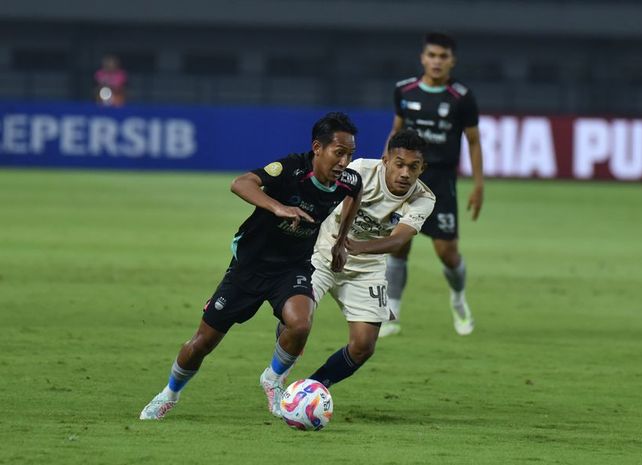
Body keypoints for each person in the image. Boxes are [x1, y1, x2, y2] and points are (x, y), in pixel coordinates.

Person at [139, 112, 363, 420]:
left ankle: (273, 379)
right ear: (317, 148)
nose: (344, 162)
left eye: (350, 154)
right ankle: (169, 394)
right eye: (339, 153)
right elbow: (240, 183)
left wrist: (339, 242)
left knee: (300, 324)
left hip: (292, 268)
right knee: (202, 343)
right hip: (249, 267)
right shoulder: (290, 169)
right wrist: (279, 207)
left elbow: (355, 193)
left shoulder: (348, 181)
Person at [269, 129, 435, 391]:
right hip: (323, 253)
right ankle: (276, 376)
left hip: (367, 268)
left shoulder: (423, 199)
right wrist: (338, 243)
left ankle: (311, 389)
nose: (405, 173)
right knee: (296, 321)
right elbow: (341, 198)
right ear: (386, 161)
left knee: (363, 346)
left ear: (422, 168)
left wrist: (356, 247)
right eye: (399, 164)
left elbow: (397, 240)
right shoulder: (360, 170)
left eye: (413, 167)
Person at [381, 32, 484, 337]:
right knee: (398, 245)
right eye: (432, 55)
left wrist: (479, 185)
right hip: (405, 178)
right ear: (423, 58)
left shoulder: (461, 97)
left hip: (441, 181)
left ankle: (458, 299)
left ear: (452, 60)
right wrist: (383, 166)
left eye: (443, 56)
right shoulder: (404, 91)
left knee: (447, 252)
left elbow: (474, 141)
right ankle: (392, 313)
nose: (437, 61)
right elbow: (395, 131)